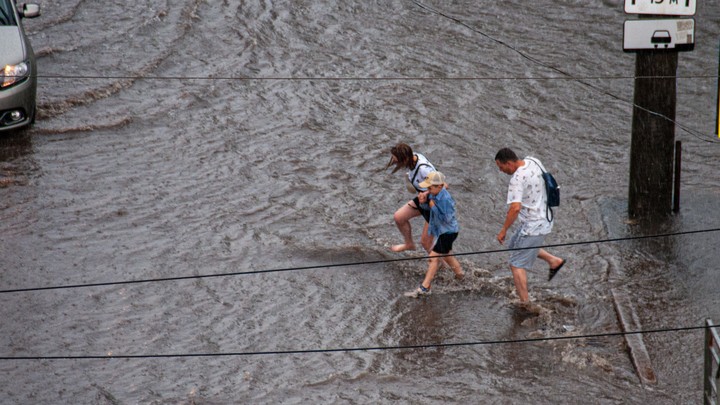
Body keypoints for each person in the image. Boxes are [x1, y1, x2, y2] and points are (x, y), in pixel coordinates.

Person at [494, 148, 566, 303]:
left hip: (534, 225)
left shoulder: (516, 179)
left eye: (501, 167)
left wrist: (503, 230)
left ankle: (525, 303)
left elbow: (515, 208)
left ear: (509, 163)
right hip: (544, 216)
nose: (501, 171)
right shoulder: (533, 161)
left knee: (516, 264)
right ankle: (554, 261)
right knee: (514, 246)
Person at [404, 171, 464, 298]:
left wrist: (433, 206)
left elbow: (447, 218)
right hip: (443, 232)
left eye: (430, 187)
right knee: (447, 256)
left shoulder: (446, 199)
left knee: (432, 257)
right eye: (427, 187)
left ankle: (425, 287)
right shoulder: (433, 195)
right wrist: (423, 203)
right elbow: (429, 211)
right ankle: (461, 276)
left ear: (440, 186)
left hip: (449, 232)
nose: (428, 190)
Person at [386, 143, 436, 253]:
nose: (395, 162)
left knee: (426, 243)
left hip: (437, 204)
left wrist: (426, 193)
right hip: (424, 199)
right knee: (399, 217)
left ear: (405, 159)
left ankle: (443, 266)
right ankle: (409, 244)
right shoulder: (412, 157)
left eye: (396, 160)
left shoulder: (424, 169)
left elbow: (443, 186)